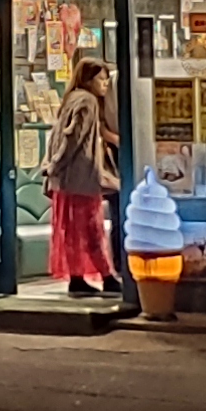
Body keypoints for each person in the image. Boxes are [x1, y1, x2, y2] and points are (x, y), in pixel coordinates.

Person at [51, 56, 118, 298]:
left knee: (72, 231)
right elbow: (73, 138)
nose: (105, 84)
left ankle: (78, 277)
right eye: (101, 79)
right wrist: (56, 163)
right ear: (89, 80)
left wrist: (53, 165)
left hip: (67, 180)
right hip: (82, 178)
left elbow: (59, 135)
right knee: (92, 229)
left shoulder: (71, 99)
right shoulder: (88, 102)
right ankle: (107, 276)